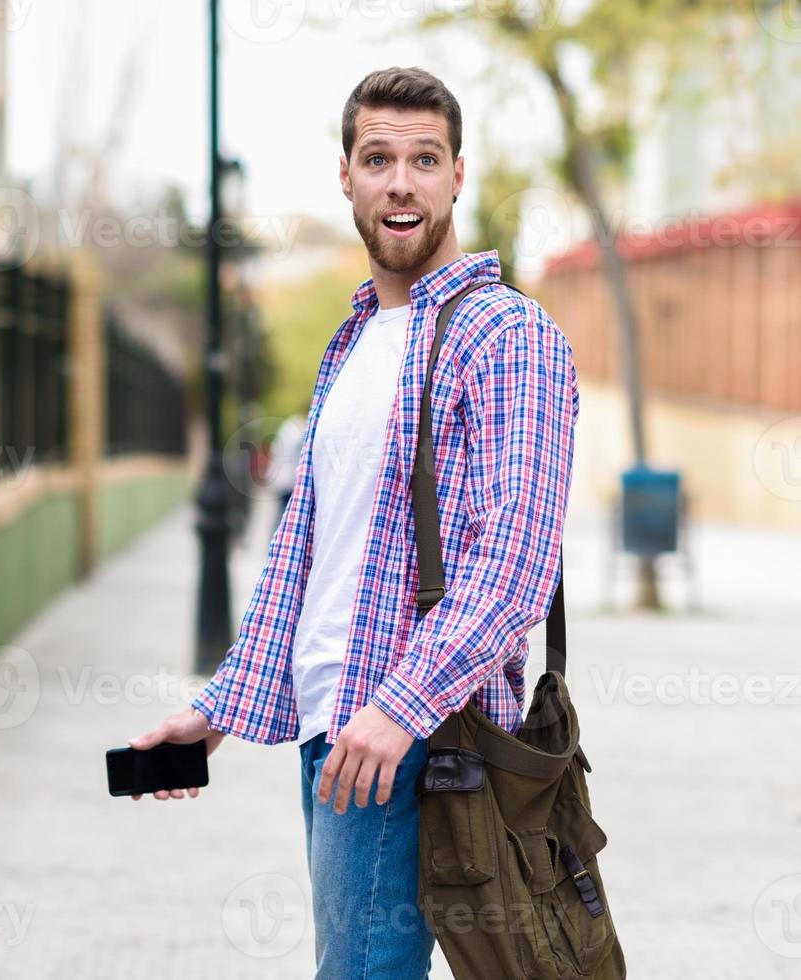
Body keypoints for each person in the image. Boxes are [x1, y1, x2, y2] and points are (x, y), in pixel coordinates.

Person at [130, 66, 579, 979]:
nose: (401, 182)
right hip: (337, 730)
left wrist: (396, 711)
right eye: (378, 158)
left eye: (424, 158)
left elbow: (516, 563)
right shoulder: (355, 342)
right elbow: (309, 559)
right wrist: (218, 710)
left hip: (416, 739)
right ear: (346, 177)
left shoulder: (505, 336)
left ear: (458, 176)